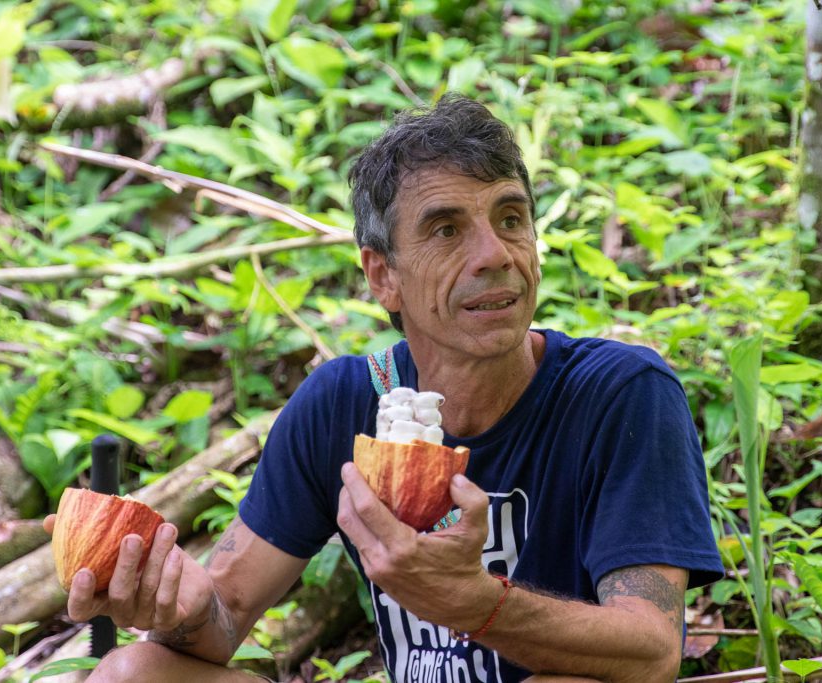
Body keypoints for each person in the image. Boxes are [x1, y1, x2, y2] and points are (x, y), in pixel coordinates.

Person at [43, 94, 723, 682]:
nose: (495, 254)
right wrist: (184, 608)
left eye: (511, 218)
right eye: (447, 229)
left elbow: (653, 647)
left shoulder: (620, 394)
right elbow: (222, 619)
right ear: (382, 277)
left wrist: (474, 602)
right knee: (132, 670)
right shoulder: (344, 401)